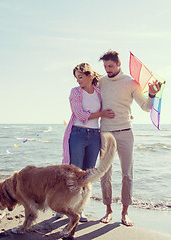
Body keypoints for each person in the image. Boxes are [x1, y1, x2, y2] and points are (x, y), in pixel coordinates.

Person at [98, 50, 162, 226]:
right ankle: (108, 209)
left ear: (119, 65)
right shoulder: (101, 82)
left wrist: (151, 94)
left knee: (127, 173)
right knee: (105, 173)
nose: (107, 69)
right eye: (105, 66)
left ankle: (125, 212)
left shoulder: (131, 83)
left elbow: (146, 107)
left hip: (126, 132)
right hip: (105, 133)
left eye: (110, 66)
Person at [60, 63, 114, 222]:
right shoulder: (75, 92)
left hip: (95, 135)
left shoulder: (99, 91)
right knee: (73, 173)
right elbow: (80, 114)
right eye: (76, 78)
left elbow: (109, 107)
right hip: (78, 133)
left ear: (89, 76)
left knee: (87, 174)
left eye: (81, 77)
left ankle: (79, 209)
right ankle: (63, 206)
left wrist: (123, 115)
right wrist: (101, 113)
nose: (78, 81)